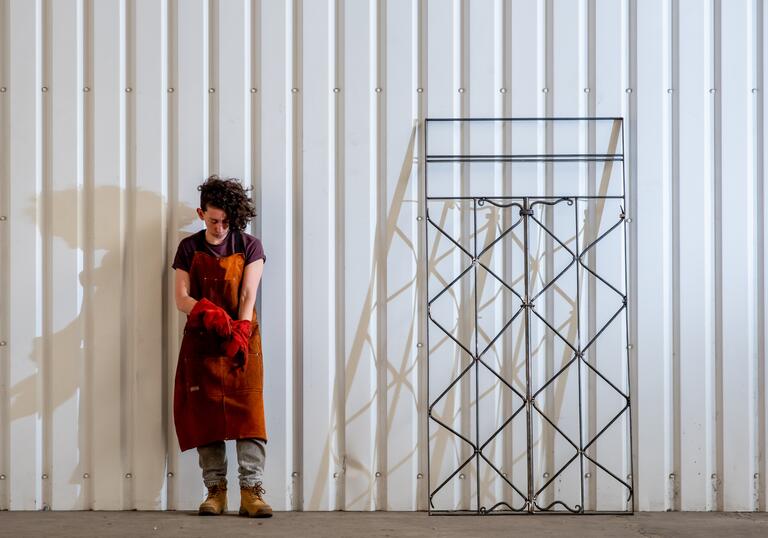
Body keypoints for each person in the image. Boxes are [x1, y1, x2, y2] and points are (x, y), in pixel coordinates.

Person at [171, 175, 271, 517]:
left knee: (249, 417)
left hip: (241, 341)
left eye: (226, 222)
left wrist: (239, 331)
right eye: (213, 220)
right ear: (201, 214)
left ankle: (251, 492)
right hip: (202, 342)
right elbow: (181, 298)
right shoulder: (188, 248)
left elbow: (247, 294)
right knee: (206, 416)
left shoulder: (250, 245)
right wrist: (206, 311)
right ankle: (215, 491)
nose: (219, 228)